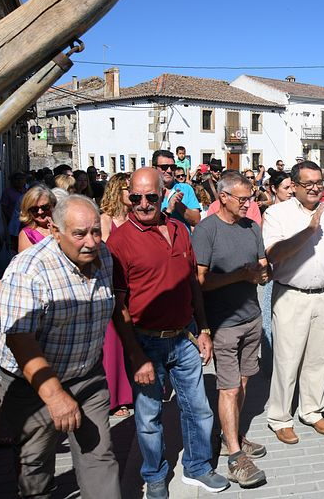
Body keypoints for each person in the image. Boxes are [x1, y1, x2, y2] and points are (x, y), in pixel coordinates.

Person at [107, 167, 228, 497]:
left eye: (151, 197)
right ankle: (154, 475)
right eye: (136, 197)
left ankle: (198, 467)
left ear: (164, 195)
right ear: (127, 196)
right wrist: (135, 355)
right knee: (148, 418)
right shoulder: (118, 241)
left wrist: (203, 329)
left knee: (199, 408)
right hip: (145, 341)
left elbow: (192, 284)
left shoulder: (179, 228)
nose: (143, 203)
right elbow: (118, 305)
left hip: (185, 336)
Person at [0, 194, 121, 498]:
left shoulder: (103, 256)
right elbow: (19, 337)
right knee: (35, 469)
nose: (91, 242)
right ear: (55, 231)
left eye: (95, 231)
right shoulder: (28, 269)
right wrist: (54, 395)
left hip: (86, 374)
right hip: (32, 383)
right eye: (79, 234)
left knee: (99, 456)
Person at [262, 161, 324, 445]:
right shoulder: (276, 213)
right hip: (291, 295)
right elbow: (274, 254)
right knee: (287, 360)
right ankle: (280, 417)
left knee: (318, 359)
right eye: (308, 183)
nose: (315, 188)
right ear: (295, 186)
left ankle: (312, 410)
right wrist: (309, 230)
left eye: (319, 183)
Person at [192, 172, 268, 488]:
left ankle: (231, 435)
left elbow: (263, 266)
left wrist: (264, 274)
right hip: (222, 323)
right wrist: (240, 276)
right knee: (229, 387)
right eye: (242, 199)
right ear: (223, 197)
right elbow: (200, 281)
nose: (248, 204)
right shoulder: (206, 230)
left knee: (245, 380)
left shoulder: (252, 228)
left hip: (252, 319)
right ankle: (236, 457)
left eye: (250, 198)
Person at [98, 173, 133, 417]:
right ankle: (117, 397)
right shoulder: (105, 219)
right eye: (128, 189)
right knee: (115, 343)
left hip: (136, 284)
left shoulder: (135, 218)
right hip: (113, 284)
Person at [259, 171, 294, 374]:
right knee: (271, 320)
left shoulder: (295, 210)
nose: (290, 192)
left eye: (292, 187)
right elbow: (264, 247)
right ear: (274, 189)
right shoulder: (271, 213)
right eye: (286, 188)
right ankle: (271, 365)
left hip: (292, 272)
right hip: (275, 272)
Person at [152, 149, 202, 230]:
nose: (169, 171)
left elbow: (196, 220)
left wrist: (179, 205)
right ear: (154, 168)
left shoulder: (186, 189)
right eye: (164, 167)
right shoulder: (148, 191)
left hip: (183, 241)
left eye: (172, 167)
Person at [17, 185, 56, 251]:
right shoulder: (27, 234)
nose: (40, 212)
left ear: (53, 205)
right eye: (34, 209)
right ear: (28, 210)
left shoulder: (63, 227)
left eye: (45, 207)